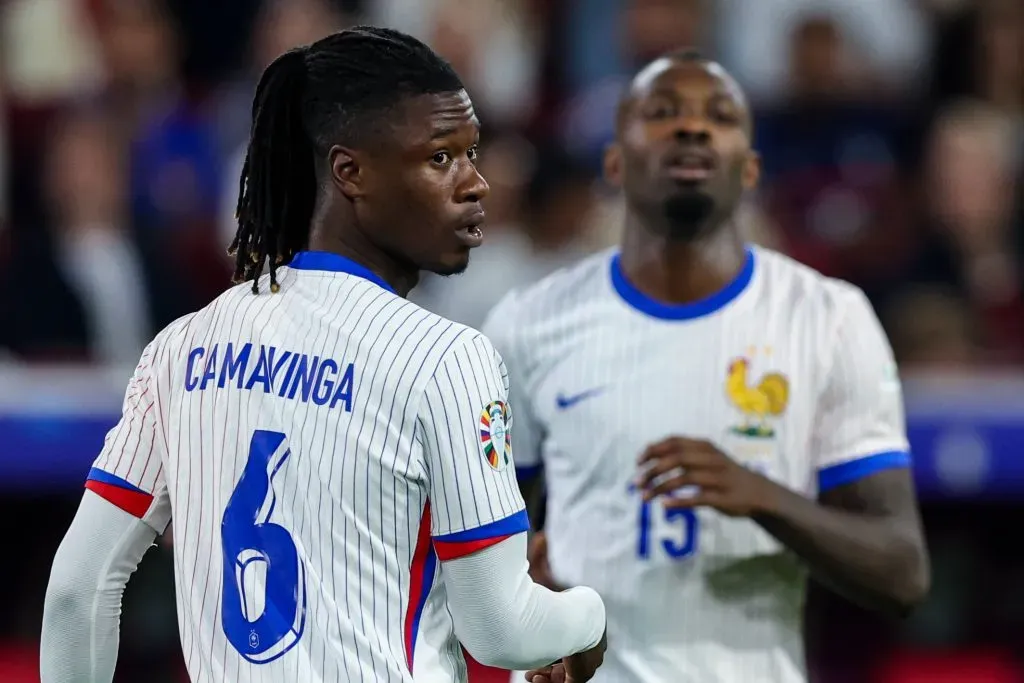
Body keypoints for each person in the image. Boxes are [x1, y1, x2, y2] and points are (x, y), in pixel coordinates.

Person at [39, 27, 607, 683]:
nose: (477, 182)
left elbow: (77, 592)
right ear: (351, 172)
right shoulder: (447, 358)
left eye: (470, 153)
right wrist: (589, 612)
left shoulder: (181, 347)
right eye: (441, 158)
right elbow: (502, 629)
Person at [483, 50, 930, 683]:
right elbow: (478, 553)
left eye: (718, 116)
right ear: (615, 162)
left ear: (750, 169)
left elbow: (903, 574)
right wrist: (532, 618)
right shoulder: (528, 322)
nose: (691, 128)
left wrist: (765, 498)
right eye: (662, 113)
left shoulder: (828, 317)